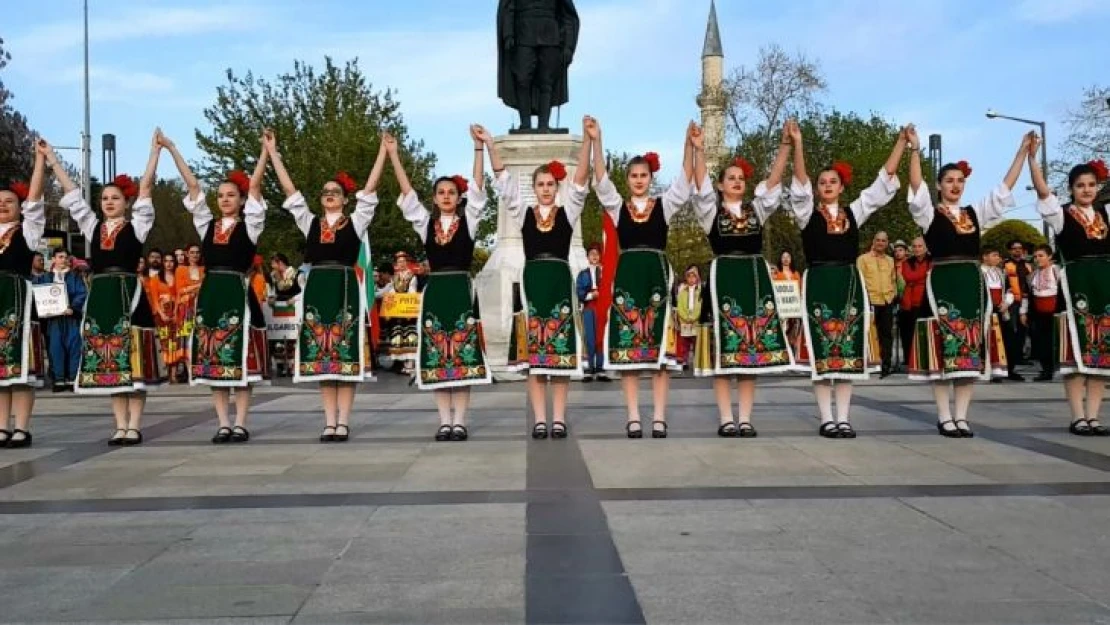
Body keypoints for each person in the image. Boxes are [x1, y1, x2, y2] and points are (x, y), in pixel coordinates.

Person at [43, 132, 166, 444]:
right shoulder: (92, 226)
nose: (109, 203)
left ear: (126, 202)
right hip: (102, 297)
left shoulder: (137, 225)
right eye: (105, 199)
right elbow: (72, 195)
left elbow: (147, 188)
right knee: (110, 363)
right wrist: (53, 159)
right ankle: (119, 425)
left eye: (115, 198)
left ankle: (134, 425)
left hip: (128, 294)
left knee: (133, 362)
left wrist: (154, 153)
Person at [905, 128, 1029, 437]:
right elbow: (916, 186)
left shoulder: (975, 213)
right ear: (939, 185)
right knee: (942, 349)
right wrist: (915, 151)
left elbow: (1003, 189)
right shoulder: (929, 215)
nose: (955, 185)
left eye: (960, 181)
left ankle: (962, 416)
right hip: (943, 284)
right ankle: (944, 415)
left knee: (969, 353)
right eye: (949, 180)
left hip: (971, 288)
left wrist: (1022, 153)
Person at [789, 121, 907, 438]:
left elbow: (882, 185)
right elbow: (798, 186)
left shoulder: (854, 212)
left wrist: (900, 144)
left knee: (847, 352)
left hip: (848, 284)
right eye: (822, 182)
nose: (827, 186)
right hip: (818, 283)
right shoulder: (806, 215)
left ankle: (844, 417)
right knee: (822, 351)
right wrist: (798, 144)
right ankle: (826, 418)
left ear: (842, 187)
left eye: (833, 182)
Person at [269, 130, 386, 442]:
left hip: (345, 288)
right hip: (318, 290)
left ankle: (343, 421)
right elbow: (290, 191)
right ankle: (328, 421)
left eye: (335, 191)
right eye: (324, 192)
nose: (329, 194)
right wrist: (273, 153)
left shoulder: (356, 222)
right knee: (323, 359)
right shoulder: (309, 223)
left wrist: (384, 153)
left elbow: (371, 189)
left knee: (345, 357)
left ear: (346, 199)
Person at [163, 129, 270, 443]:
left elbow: (256, 186)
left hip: (238, 291)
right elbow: (193, 186)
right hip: (211, 294)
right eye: (221, 195)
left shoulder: (250, 225)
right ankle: (222, 422)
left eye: (230, 195)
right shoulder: (206, 225)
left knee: (241, 362)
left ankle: (241, 422)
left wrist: (264, 152)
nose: (224, 199)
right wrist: (171, 148)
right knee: (213, 360)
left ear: (240, 199)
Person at [690, 120, 794, 437]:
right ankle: (725, 418)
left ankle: (745, 418)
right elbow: (700, 184)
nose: (736, 182)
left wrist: (786, 146)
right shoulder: (711, 211)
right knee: (724, 354)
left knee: (751, 353)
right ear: (720, 185)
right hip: (723, 284)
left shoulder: (756, 210)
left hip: (753, 282)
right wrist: (698, 150)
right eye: (730, 178)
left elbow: (774, 182)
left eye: (740, 179)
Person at [385, 129, 491, 441]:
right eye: (441, 192)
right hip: (435, 293)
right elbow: (407, 194)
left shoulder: (469, 222)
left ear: (459, 198)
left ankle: (460, 420)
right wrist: (393, 155)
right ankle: (444, 420)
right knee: (437, 357)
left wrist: (478, 149)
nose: (446, 196)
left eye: (451, 192)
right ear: (434, 198)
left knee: (462, 356)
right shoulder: (426, 225)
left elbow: (479, 187)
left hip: (459, 290)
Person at [592, 118, 694, 439]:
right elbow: (600, 179)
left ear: (652, 178)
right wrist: (597, 140)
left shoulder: (664, 206)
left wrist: (688, 143)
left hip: (656, 279)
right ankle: (634, 416)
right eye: (634, 176)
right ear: (628, 179)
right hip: (628, 279)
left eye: (643, 175)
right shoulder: (617, 207)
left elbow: (686, 180)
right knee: (629, 354)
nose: (638, 180)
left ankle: (660, 417)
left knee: (660, 353)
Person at [489, 119, 590, 439]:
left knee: (559, 356)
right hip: (532, 282)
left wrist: (588, 139)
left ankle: (558, 418)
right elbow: (503, 180)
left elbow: (582, 180)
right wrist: (490, 145)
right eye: (541, 184)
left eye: (550, 184)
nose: (546, 189)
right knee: (534, 359)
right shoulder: (523, 213)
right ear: (534, 188)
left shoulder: (568, 213)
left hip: (559, 282)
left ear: (556, 187)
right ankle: (539, 419)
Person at [1029, 146, 1110, 436]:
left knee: (1100, 357)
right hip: (1075, 286)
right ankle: (1077, 416)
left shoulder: (1104, 214)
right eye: (1080, 186)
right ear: (1071, 189)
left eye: (1091, 185)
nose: (1087, 190)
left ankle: (1094, 416)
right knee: (1075, 358)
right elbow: (1042, 193)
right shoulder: (1062, 215)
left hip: (1104, 287)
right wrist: (1032, 160)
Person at [0, 148, 47, 447]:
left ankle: (22, 428)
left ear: (20, 206)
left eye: (9, 202)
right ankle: (2, 426)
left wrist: (40, 161)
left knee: (20, 369)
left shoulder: (27, 231)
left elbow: (36, 197)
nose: (3, 206)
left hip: (18, 300)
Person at [36, 247, 87, 392]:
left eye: (65, 257)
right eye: (60, 257)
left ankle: (72, 379)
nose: (63, 260)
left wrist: (73, 306)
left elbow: (82, 293)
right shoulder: (45, 278)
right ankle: (58, 379)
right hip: (53, 320)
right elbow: (39, 295)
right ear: (53, 259)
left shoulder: (75, 277)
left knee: (73, 347)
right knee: (55, 348)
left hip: (71, 317)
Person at [857, 231, 896, 377]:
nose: (880, 243)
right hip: (870, 300)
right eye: (878, 240)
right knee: (867, 333)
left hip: (886, 300)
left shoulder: (890, 260)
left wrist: (893, 295)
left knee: (886, 334)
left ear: (887, 243)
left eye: (883, 241)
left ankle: (886, 364)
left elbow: (893, 279)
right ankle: (865, 363)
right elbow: (859, 280)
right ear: (873, 241)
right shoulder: (863, 259)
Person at [1027, 244, 1060, 382]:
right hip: (1038, 313)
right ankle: (1045, 370)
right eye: (1035, 256)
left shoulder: (1056, 271)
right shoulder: (1033, 274)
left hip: (1055, 313)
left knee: (1055, 342)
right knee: (1041, 343)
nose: (1037, 259)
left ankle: (1057, 369)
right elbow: (1029, 293)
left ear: (1049, 256)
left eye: (1041, 256)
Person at [898, 236, 931, 372]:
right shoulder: (907, 262)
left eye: (920, 246)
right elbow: (908, 276)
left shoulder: (931, 260)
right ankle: (909, 360)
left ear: (925, 247)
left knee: (925, 331)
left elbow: (913, 277)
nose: (917, 249)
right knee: (908, 332)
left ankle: (925, 359)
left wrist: (919, 277)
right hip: (909, 300)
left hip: (925, 299)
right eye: (915, 246)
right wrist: (924, 276)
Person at [576, 242, 608, 381]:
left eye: (597, 254)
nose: (594, 256)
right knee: (589, 338)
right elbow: (579, 291)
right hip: (589, 307)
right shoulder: (583, 274)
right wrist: (590, 295)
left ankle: (600, 368)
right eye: (591, 254)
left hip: (602, 308)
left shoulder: (606, 272)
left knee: (601, 338)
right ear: (587, 257)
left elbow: (609, 289)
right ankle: (589, 368)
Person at [1001, 239, 1032, 380]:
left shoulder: (1028, 266)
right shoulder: (1005, 265)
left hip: (1026, 303)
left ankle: (1018, 358)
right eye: (1014, 248)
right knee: (1010, 334)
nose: (1017, 250)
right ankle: (1009, 368)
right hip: (1010, 303)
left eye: (1020, 248)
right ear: (1010, 251)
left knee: (1022, 333)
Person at [384, 251, 419, 375]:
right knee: (398, 335)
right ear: (396, 264)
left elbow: (412, 291)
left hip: (407, 310)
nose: (401, 264)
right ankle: (401, 364)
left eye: (403, 262)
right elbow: (392, 291)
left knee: (409, 336)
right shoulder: (394, 277)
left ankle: (410, 364)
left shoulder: (411, 276)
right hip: (398, 311)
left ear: (407, 263)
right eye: (399, 262)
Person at [174, 243, 204, 383]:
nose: (195, 255)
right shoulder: (181, 270)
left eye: (197, 252)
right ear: (187, 254)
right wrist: (198, 286)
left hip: (201, 308)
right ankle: (190, 373)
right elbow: (180, 290)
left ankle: (201, 372)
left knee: (201, 340)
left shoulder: (203, 270)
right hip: (186, 309)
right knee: (186, 341)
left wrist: (191, 288)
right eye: (192, 252)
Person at [268, 252, 300, 377]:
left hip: (293, 308)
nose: (272, 267)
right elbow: (275, 291)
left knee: (292, 336)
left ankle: (293, 366)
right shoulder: (274, 276)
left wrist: (295, 299)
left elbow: (304, 290)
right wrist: (272, 298)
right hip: (280, 309)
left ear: (280, 263)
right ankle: (281, 365)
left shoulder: (297, 274)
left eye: (273, 264)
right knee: (278, 337)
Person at [152, 254, 181, 382]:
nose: (169, 264)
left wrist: (175, 312)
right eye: (166, 261)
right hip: (161, 315)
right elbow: (154, 299)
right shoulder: (155, 279)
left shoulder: (178, 277)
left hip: (175, 313)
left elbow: (179, 296)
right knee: (164, 344)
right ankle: (165, 373)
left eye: (171, 261)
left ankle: (174, 374)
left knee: (174, 344)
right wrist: (161, 314)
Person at [674, 264, 702, 369]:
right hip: (684, 320)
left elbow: (700, 305)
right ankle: (684, 361)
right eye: (689, 276)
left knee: (696, 342)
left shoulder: (699, 291)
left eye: (693, 276)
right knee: (684, 343)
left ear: (697, 277)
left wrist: (694, 317)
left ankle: (696, 361)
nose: (691, 279)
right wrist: (684, 317)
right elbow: (679, 305)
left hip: (695, 320)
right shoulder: (682, 291)